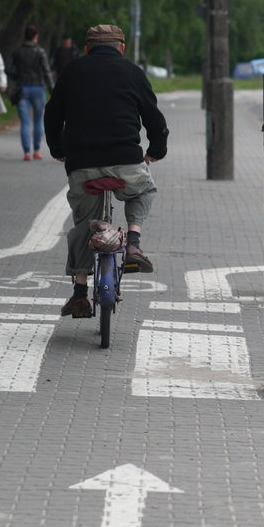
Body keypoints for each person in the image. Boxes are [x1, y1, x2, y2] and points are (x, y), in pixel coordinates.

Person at [44, 23, 168, 318]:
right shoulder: (133, 73)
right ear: (121, 48)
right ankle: (134, 244)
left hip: (82, 164)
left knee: (84, 223)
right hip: (126, 160)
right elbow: (154, 118)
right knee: (145, 189)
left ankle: (79, 293)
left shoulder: (72, 71)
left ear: (86, 49)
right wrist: (155, 152)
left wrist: (58, 150)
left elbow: (52, 115)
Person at [9, 25, 53, 161]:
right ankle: (37, 150)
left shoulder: (17, 52)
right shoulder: (40, 52)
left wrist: (18, 77)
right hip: (38, 88)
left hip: (22, 88)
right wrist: (52, 89)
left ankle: (26, 152)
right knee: (38, 120)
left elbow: (10, 70)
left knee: (25, 122)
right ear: (36, 36)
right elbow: (46, 71)